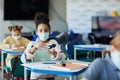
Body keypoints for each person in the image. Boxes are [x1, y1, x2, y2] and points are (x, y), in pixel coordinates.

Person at [21, 12, 66, 80]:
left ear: (49, 31)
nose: (43, 33)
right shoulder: (32, 44)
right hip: (36, 76)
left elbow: (62, 59)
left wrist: (55, 54)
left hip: (50, 75)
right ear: (36, 32)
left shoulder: (53, 43)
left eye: (46, 30)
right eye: (40, 30)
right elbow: (24, 60)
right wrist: (33, 49)